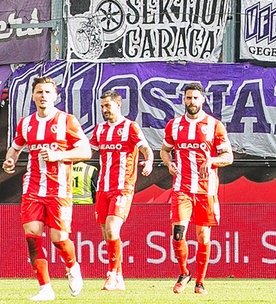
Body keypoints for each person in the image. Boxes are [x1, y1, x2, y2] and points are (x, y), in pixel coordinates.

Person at [2, 76, 91, 300]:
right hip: (32, 188)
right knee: (32, 236)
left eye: (47, 92)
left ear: (55, 96)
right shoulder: (26, 123)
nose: (43, 96)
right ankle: (45, 288)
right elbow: (15, 148)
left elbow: (86, 152)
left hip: (59, 189)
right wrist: (10, 160)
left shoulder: (67, 121)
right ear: (33, 96)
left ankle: (72, 267)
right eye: (39, 92)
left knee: (59, 238)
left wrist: (58, 155)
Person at [160, 82, 233, 295]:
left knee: (203, 236)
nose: (191, 102)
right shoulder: (173, 125)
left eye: (195, 98)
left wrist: (211, 160)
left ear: (203, 100)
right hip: (182, 187)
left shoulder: (214, 125)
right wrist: (169, 163)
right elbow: (165, 150)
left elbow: (228, 157)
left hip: (206, 190)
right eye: (188, 98)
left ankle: (200, 282)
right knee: (178, 233)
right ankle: (184, 273)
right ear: (184, 99)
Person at [90, 90, 154, 290]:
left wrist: (149, 161)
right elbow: (88, 149)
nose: (104, 110)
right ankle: (118, 276)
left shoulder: (130, 127)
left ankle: (110, 275)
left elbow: (145, 149)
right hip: (102, 187)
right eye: (102, 106)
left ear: (118, 105)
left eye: (108, 106)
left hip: (123, 187)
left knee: (112, 228)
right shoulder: (100, 129)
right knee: (106, 233)